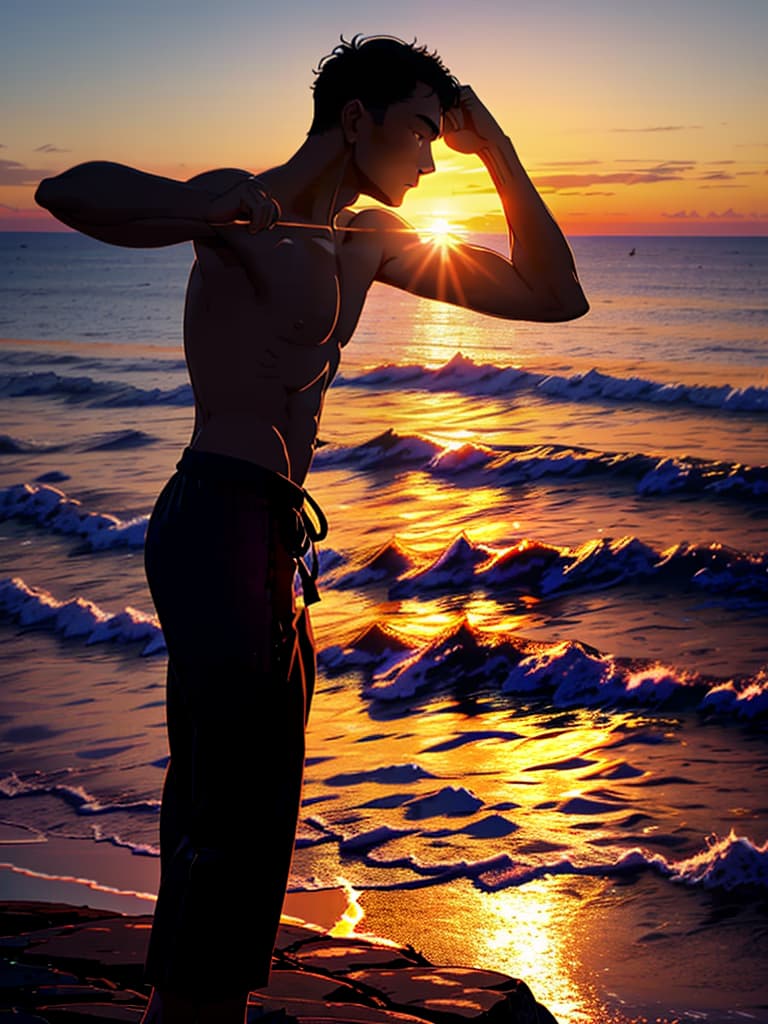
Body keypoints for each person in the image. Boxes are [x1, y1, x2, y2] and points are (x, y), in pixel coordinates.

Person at [35, 34, 588, 1024]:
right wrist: (205, 212)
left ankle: (207, 1008)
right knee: (228, 813)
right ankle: (193, 1013)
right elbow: (66, 193)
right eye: (422, 127)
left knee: (249, 811)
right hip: (214, 518)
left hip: (276, 540)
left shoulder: (366, 240)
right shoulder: (246, 204)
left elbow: (555, 296)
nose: (430, 155)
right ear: (355, 119)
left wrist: (495, 146)